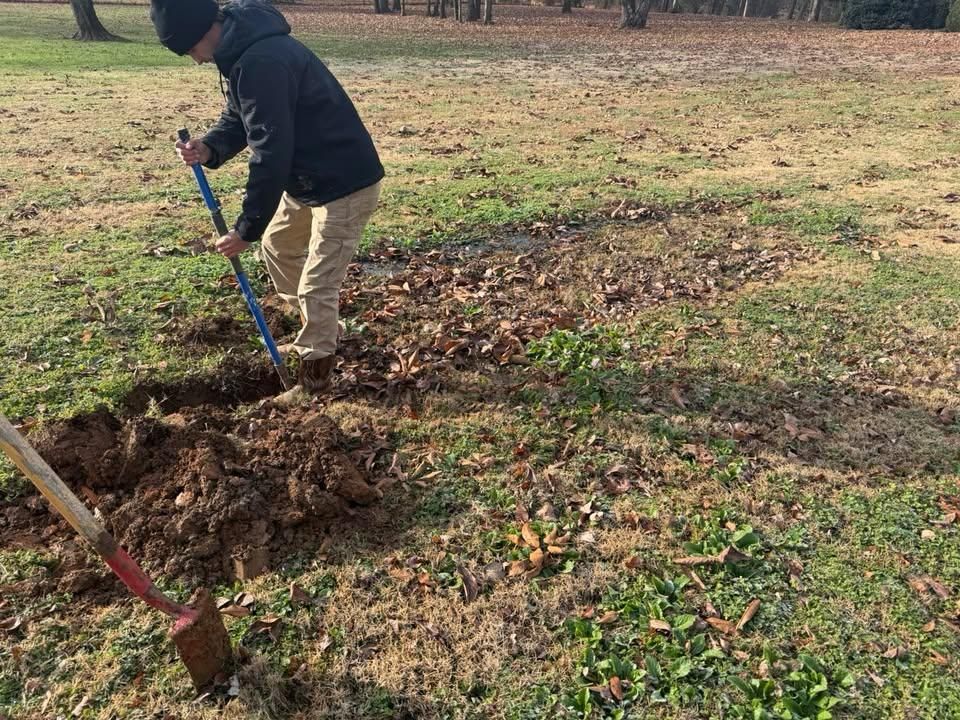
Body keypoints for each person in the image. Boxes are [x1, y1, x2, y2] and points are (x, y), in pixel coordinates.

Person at [150, 0, 384, 399]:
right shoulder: (242, 49)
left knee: (317, 284)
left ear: (204, 30)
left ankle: (315, 381)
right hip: (310, 177)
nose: (195, 61)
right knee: (277, 246)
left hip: (344, 182)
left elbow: (271, 152)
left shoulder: (262, 60)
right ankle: (324, 328)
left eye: (190, 50)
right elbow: (242, 115)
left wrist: (245, 228)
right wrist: (210, 147)